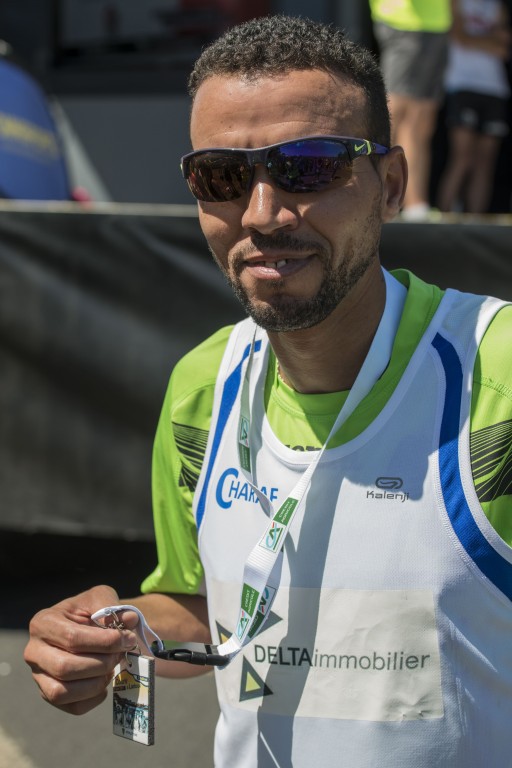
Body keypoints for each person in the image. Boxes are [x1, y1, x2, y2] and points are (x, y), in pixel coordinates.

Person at [24, 14, 512, 768]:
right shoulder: (203, 385)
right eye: (221, 176)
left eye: (308, 168)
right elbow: (204, 606)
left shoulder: (494, 373)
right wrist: (113, 633)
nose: (261, 214)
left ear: (390, 186)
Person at [369, 0, 452, 220]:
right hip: (403, 22)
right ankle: (373, 198)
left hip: (438, 24)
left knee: (421, 123)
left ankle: (415, 203)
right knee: (394, 117)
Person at [437, 0, 511, 213]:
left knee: (485, 163)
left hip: (495, 89)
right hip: (462, 85)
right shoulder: (457, 2)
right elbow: (459, 37)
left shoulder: (497, 5)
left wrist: (475, 39)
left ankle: (476, 220)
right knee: (462, 158)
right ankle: (444, 218)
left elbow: (504, 47)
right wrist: (489, 40)